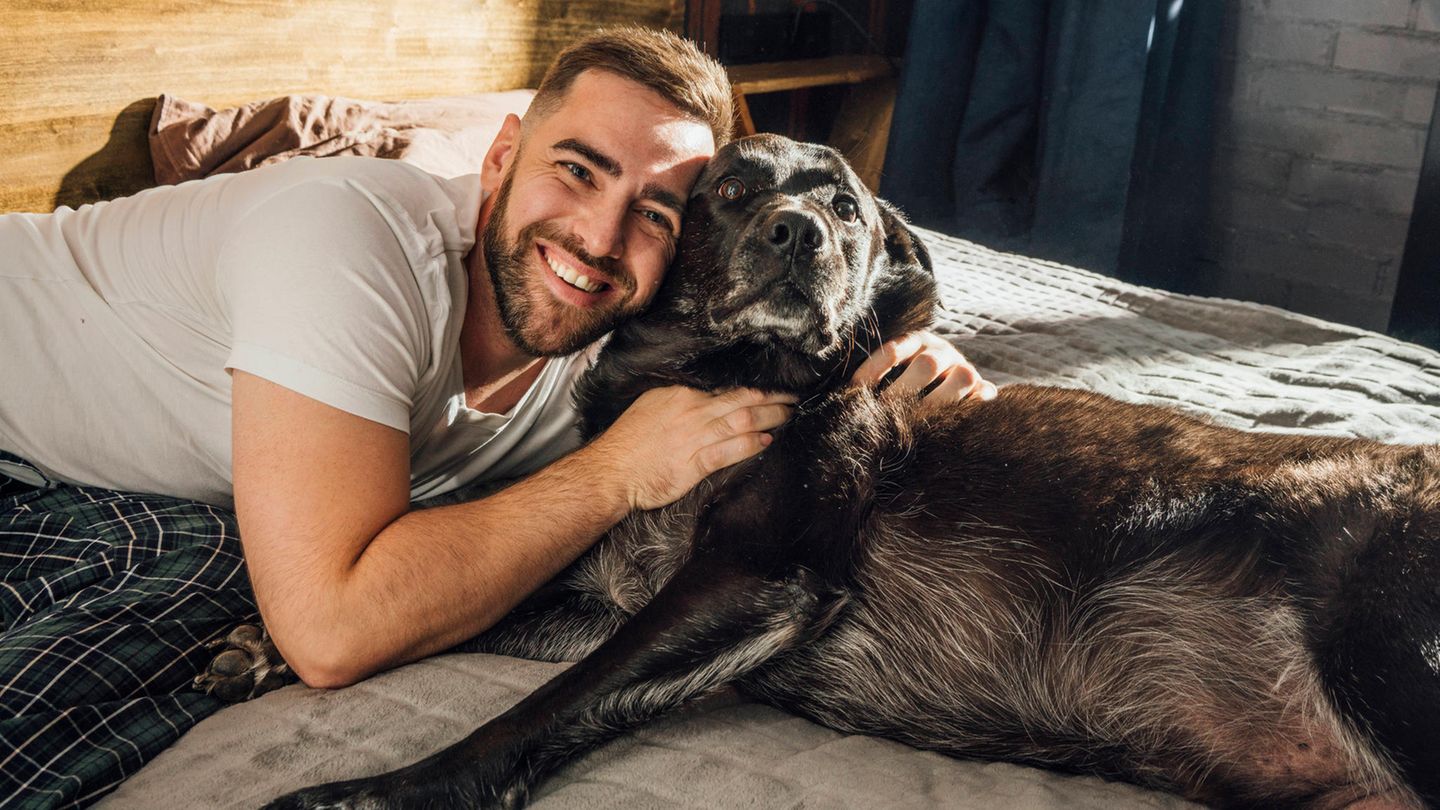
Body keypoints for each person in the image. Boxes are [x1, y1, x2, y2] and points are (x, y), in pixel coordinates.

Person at [0, 25, 991, 804]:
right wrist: (616, 472)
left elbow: (817, 318)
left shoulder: (617, 334)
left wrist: (918, 351)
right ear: (500, 157)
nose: (599, 237)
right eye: (577, 169)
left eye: (655, 211)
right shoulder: (341, 238)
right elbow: (331, 635)